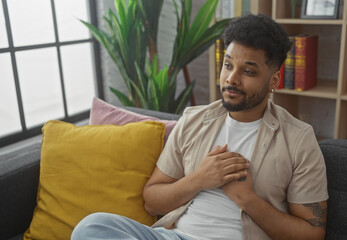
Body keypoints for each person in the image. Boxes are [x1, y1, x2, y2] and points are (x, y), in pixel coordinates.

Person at [71, 13, 328, 240]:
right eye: (228, 65)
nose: (231, 78)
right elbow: (152, 201)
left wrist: (246, 199)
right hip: (173, 236)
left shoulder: (298, 139)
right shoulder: (194, 120)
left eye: (248, 71)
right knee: (91, 226)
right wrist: (199, 179)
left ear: (274, 80)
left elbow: (312, 232)